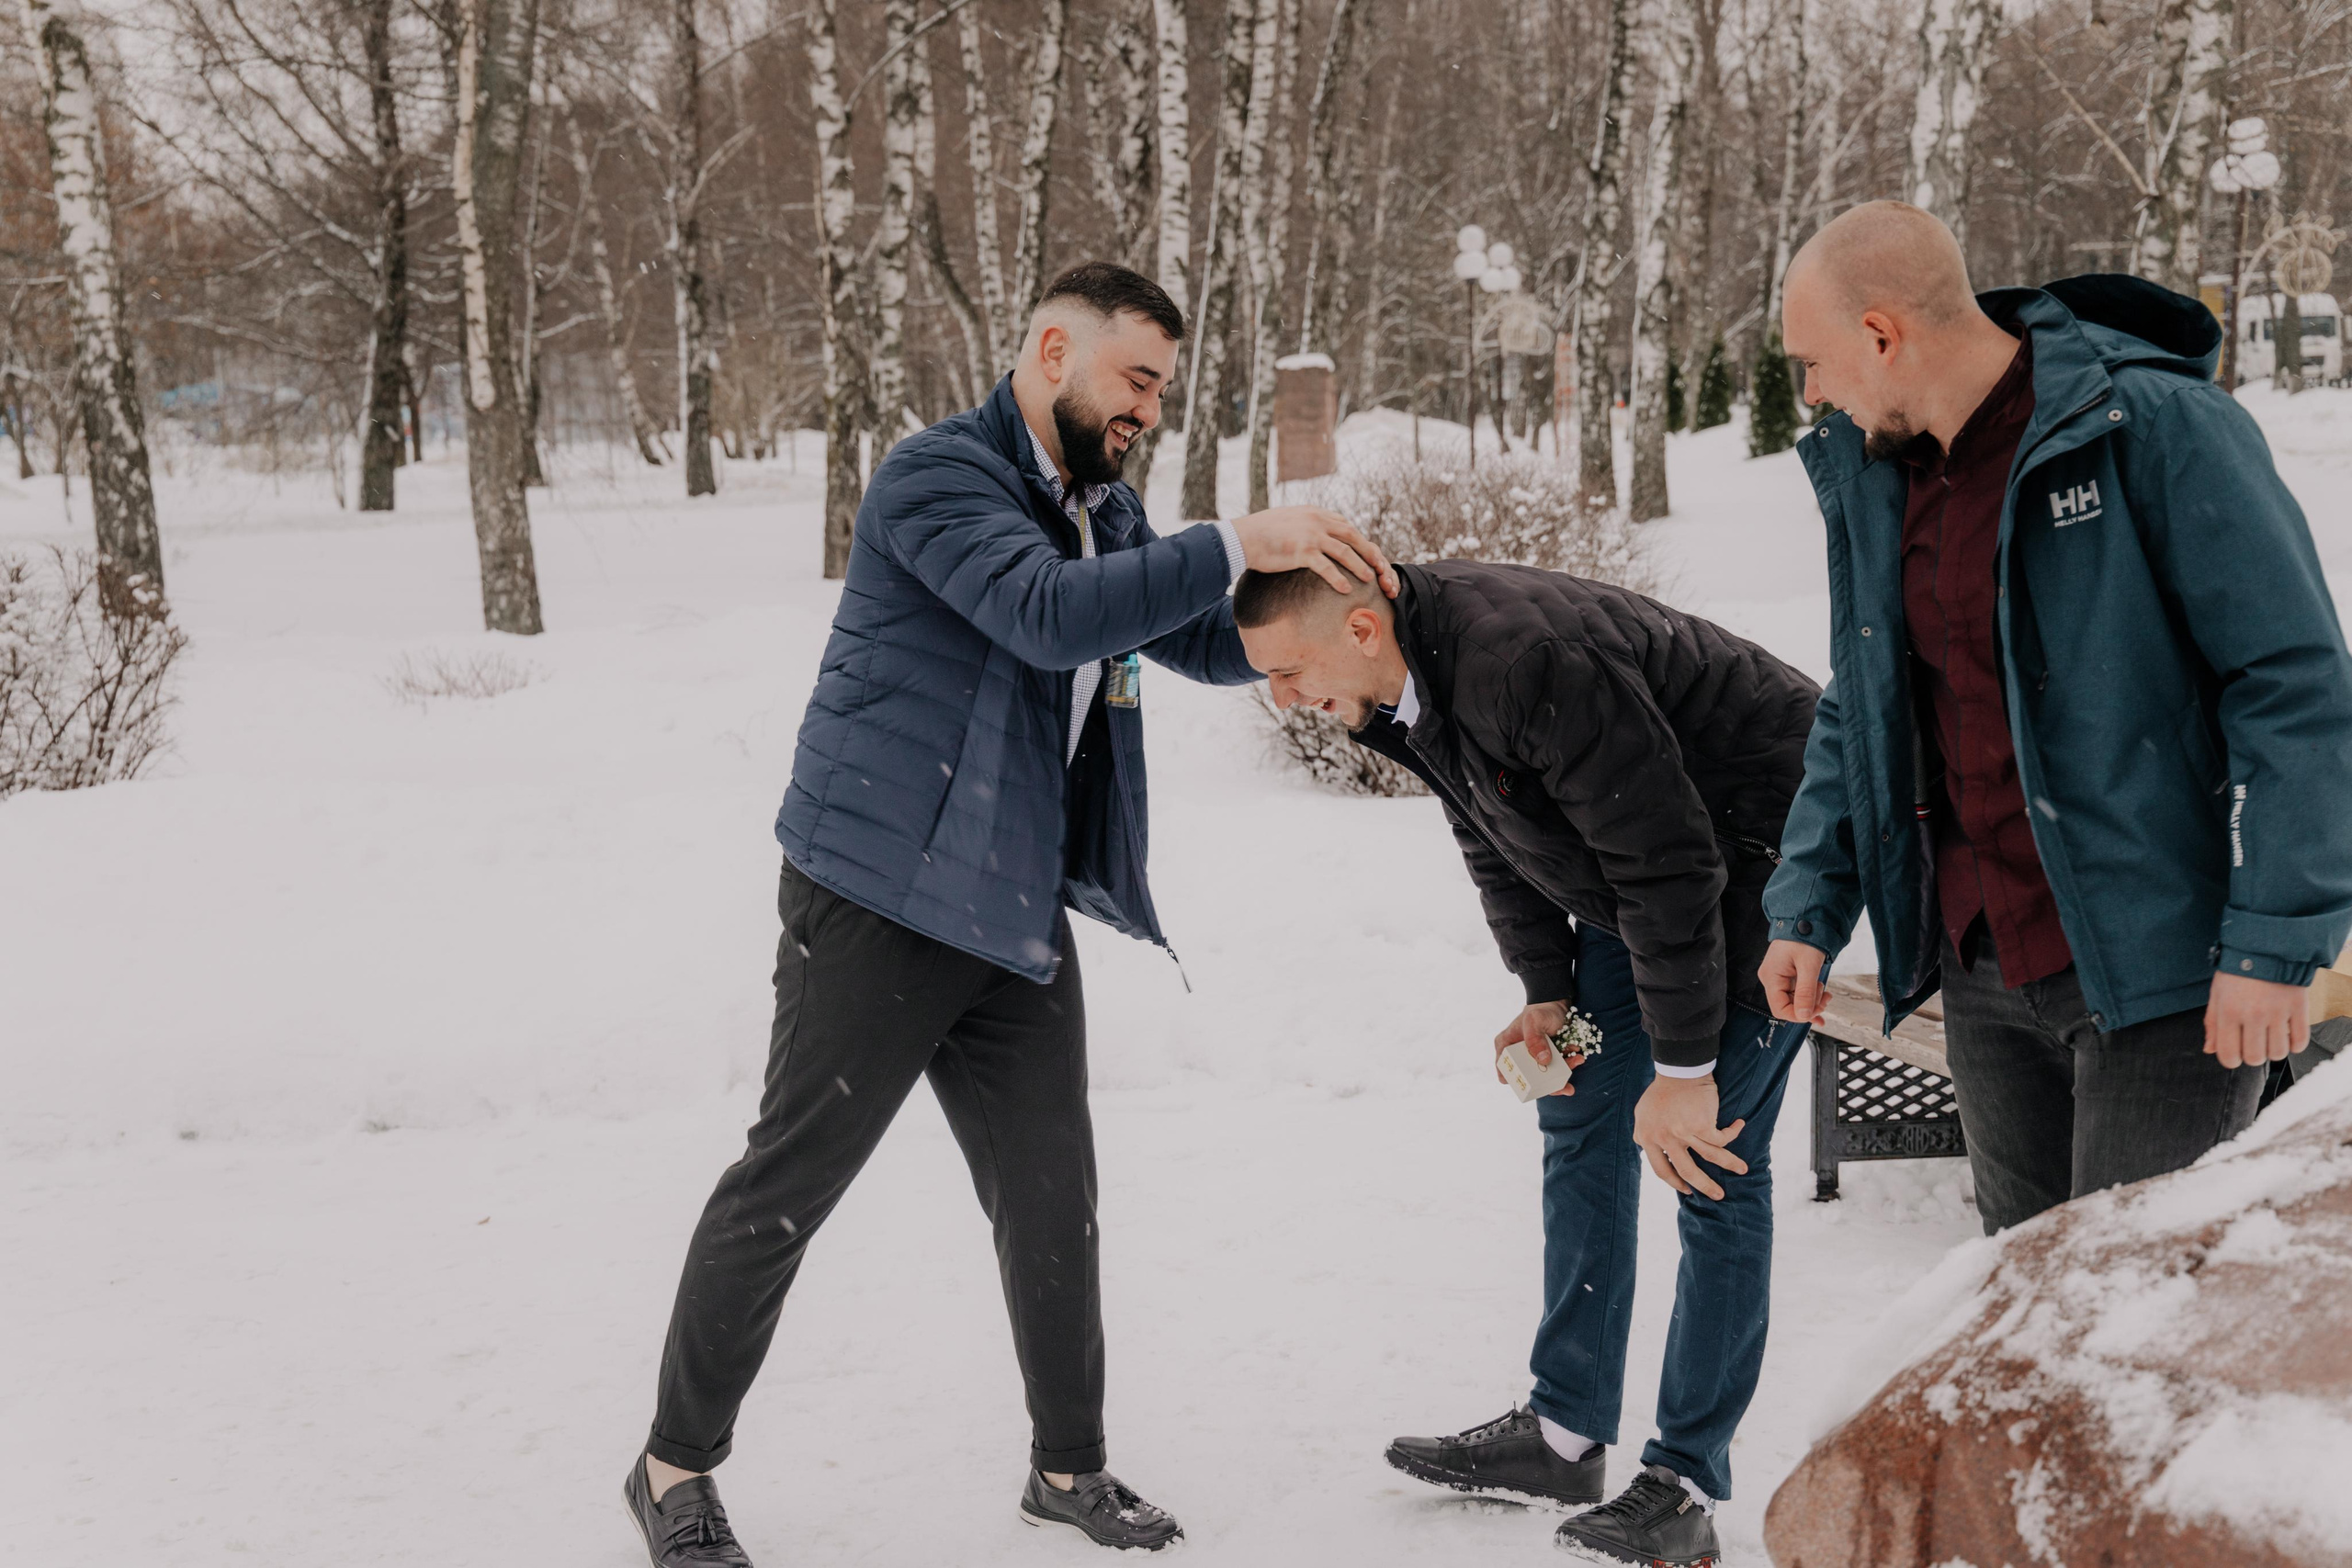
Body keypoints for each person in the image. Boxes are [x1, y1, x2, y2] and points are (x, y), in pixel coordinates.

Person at [622, 262, 1397, 1567]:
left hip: (1009, 904)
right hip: (876, 895)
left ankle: (1066, 1466)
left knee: (1054, 1193)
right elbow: (1044, 617)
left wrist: (1321, 619)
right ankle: (672, 1464)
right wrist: (1229, 540)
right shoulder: (936, 476)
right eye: (1134, 378)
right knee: (788, 1184)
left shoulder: (1104, 505)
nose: (1148, 407)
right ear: (1053, 351)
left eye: (1162, 386)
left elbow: (1186, 631)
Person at [1758, 201, 2352, 1235]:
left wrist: (2271, 940)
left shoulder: (2153, 425)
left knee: (2134, 1318)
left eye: (1812, 363)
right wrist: (1807, 903)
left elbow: (2291, 682)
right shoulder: (1884, 480)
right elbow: (1866, 701)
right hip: (1981, 975)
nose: (1812, 395)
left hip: (2160, 970)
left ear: (1881, 335)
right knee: (2021, 1320)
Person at [1233, 559, 1819, 1567]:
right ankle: (1562, 1435)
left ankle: (1681, 1482)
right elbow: (1488, 827)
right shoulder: (1411, 684)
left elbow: (1674, 860)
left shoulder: (1524, 662)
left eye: (1289, 669)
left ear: (1363, 629)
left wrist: (1683, 1069)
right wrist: (1546, 983)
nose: (1281, 697)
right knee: (1579, 1101)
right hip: (1644, 884)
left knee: (1711, 1157)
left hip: (1767, 871)